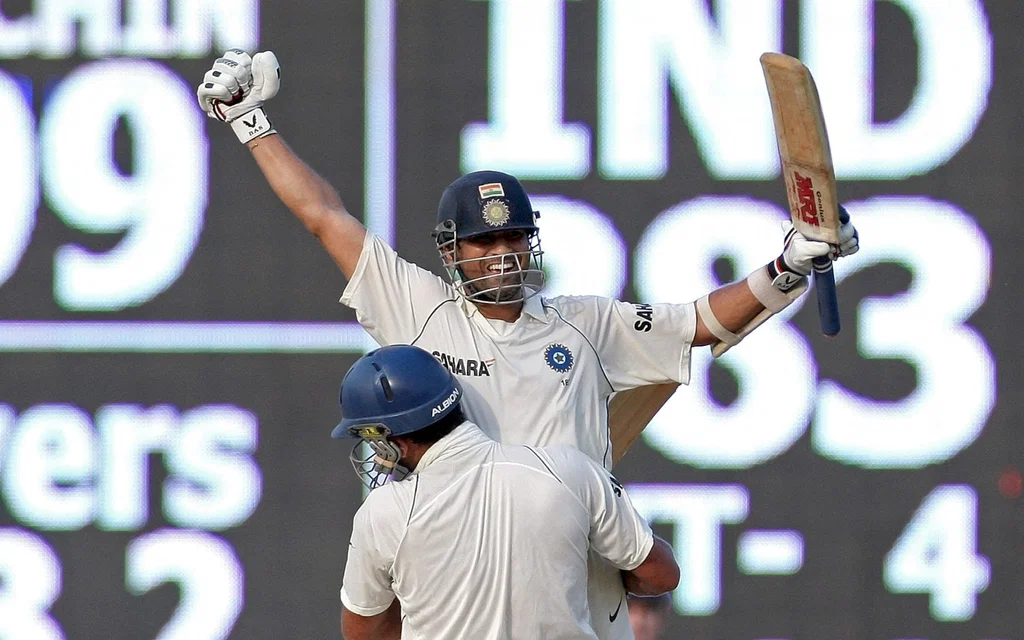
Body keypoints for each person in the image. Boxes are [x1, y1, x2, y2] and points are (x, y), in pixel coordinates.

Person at [196, 50, 859, 639]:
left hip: (577, 588)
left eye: (513, 237)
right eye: (484, 242)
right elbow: (324, 217)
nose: (502, 253)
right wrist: (250, 121)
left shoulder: (586, 325)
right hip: (460, 579)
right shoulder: (419, 308)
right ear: (452, 252)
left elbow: (699, 323)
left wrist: (786, 269)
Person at [332, 344, 680, 640]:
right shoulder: (569, 470)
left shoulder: (384, 511)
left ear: (395, 440)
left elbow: (363, 632)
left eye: (370, 438)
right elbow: (661, 575)